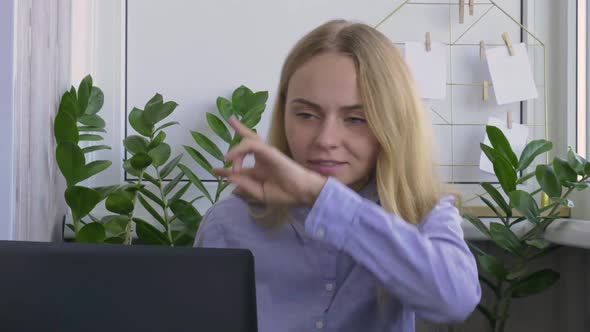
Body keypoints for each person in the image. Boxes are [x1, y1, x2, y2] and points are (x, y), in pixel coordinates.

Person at [194, 19, 481, 332]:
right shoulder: (230, 223)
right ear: (284, 112)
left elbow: (455, 300)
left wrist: (319, 196)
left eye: (356, 119)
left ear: (393, 124)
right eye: (305, 115)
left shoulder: (423, 210)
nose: (325, 139)